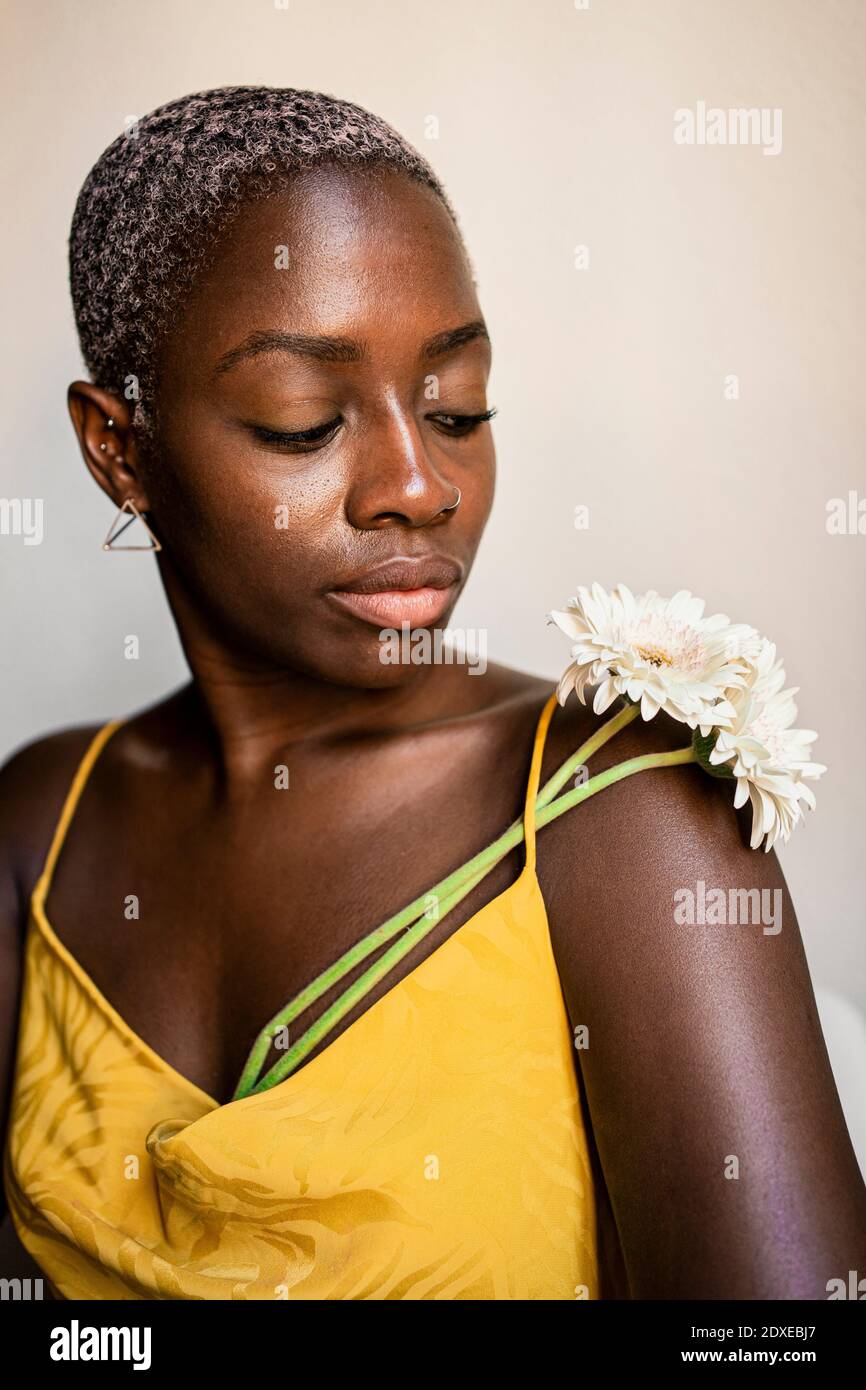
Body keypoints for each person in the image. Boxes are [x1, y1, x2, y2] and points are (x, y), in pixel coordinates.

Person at [0, 86, 863, 1301]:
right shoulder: (43, 825)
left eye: (457, 405)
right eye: (303, 422)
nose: (418, 484)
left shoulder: (620, 809)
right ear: (119, 448)